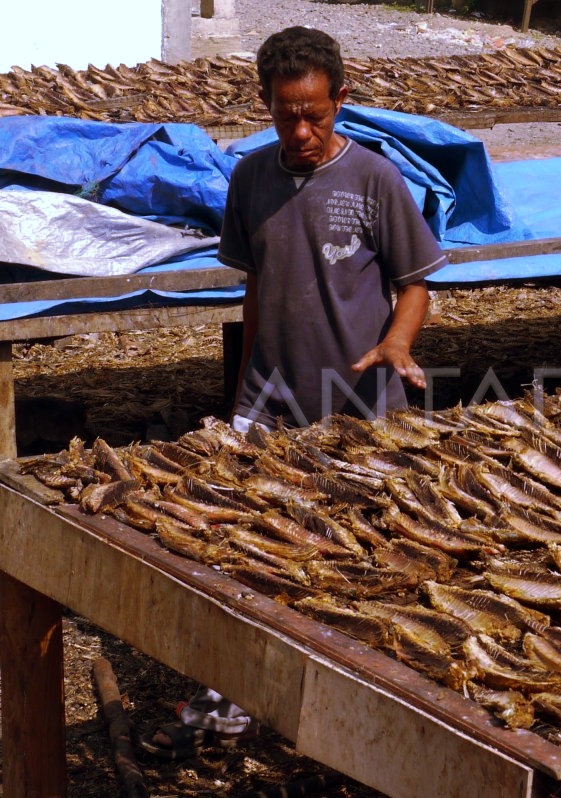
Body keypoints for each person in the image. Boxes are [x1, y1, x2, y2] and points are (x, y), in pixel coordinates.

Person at [141, 25, 447, 759]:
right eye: (287, 114)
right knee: (241, 555)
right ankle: (229, 707)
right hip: (268, 402)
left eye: (316, 113)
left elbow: (414, 286)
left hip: (364, 407)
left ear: (341, 98)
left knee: (364, 556)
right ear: (265, 105)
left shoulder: (374, 177)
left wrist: (399, 342)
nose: (303, 130)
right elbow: (257, 290)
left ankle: (366, 718)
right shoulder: (250, 179)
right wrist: (241, 390)